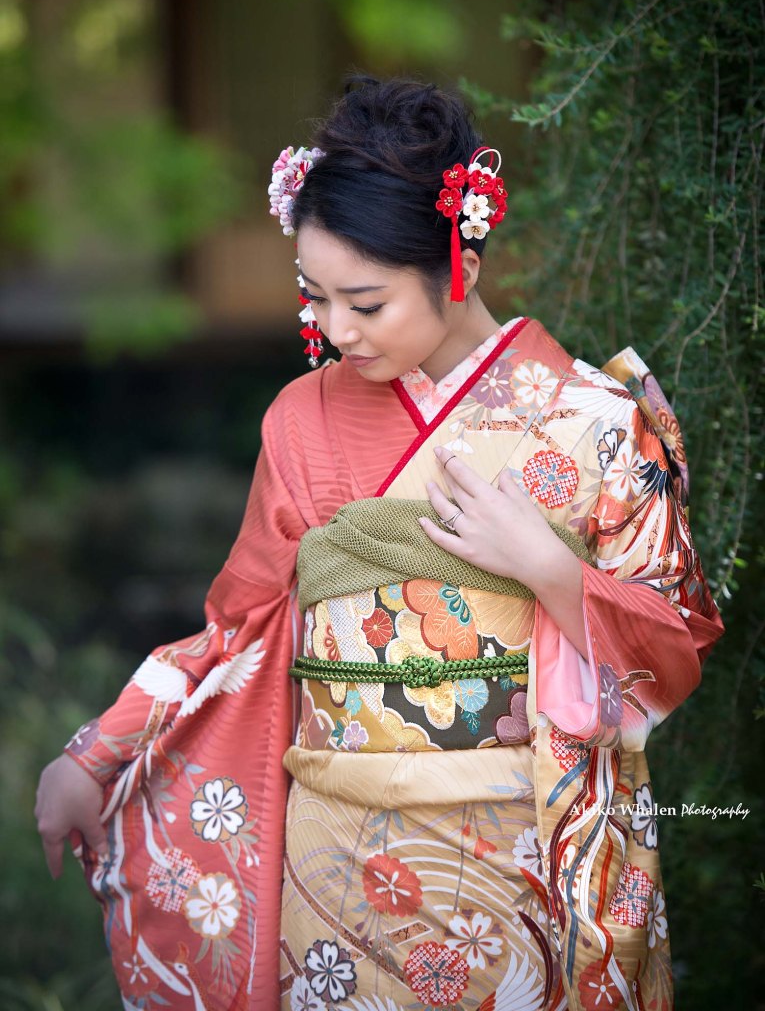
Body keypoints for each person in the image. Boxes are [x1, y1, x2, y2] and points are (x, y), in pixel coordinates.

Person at [35, 76, 724, 1011]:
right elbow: (236, 628)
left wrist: (547, 568)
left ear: (458, 265)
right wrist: (92, 756)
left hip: (513, 851)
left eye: (364, 301)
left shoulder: (599, 425)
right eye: (313, 297)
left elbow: (671, 645)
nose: (333, 329)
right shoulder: (301, 420)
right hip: (334, 860)